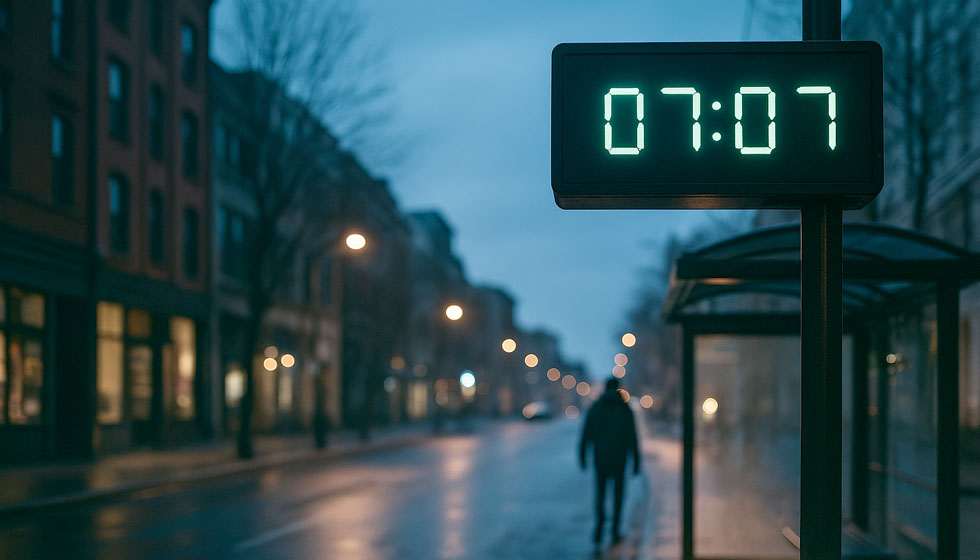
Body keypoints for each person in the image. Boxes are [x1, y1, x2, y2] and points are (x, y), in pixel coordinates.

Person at [578, 377, 641, 546]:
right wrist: (636, 461)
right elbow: (632, 437)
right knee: (618, 496)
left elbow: (586, 434)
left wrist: (583, 456)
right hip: (620, 459)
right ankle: (615, 530)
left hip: (601, 459)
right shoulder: (625, 409)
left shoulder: (596, 407)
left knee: (600, 494)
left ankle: (599, 528)